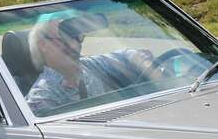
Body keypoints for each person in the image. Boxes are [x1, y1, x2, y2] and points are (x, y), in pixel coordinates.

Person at [24, 15, 160, 114]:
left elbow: (127, 55)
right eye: (65, 36)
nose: (75, 44)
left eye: (77, 36)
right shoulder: (42, 97)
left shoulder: (89, 66)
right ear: (43, 45)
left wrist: (150, 68)